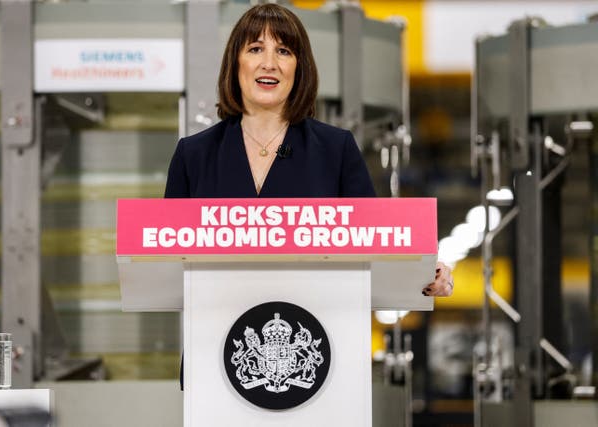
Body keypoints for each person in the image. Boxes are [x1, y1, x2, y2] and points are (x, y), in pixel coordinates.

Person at [164, 3, 454, 297]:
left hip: (315, 333)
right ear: (235, 63)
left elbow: (375, 245)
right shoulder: (193, 155)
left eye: (284, 51)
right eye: (255, 49)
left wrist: (427, 273)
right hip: (215, 334)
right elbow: (166, 259)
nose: (269, 63)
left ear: (299, 68)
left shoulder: (335, 149)